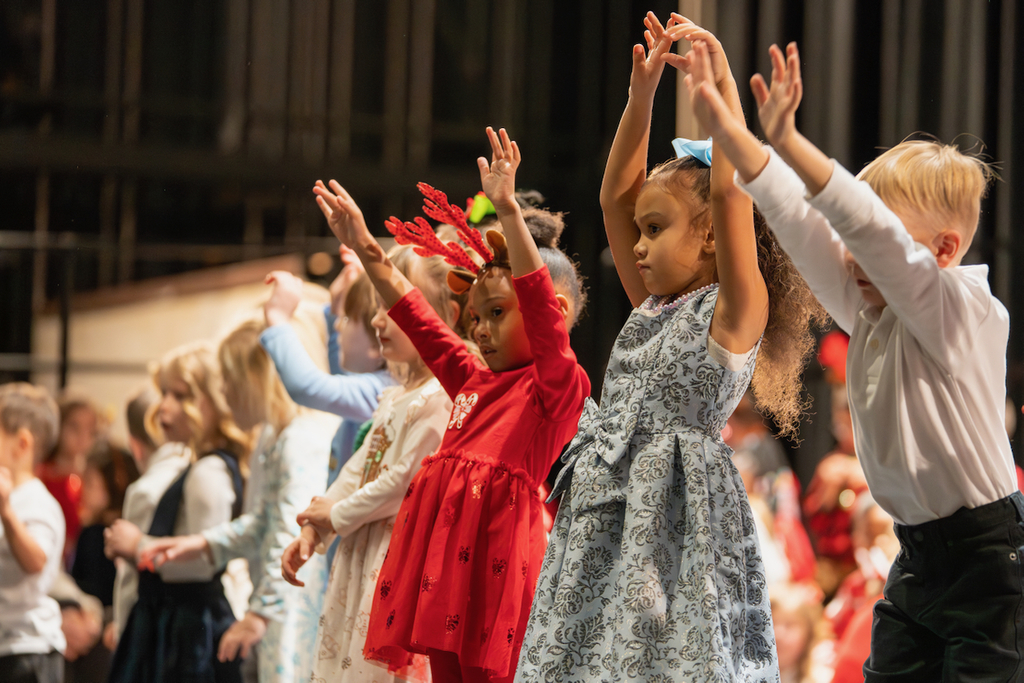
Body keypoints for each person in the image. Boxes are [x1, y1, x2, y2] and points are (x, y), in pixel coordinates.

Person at [691, 31, 1017, 681]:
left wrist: (792, 142)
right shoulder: (872, 310)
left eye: (870, 238)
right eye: (849, 240)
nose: (849, 251)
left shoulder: (962, 309)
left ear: (945, 250)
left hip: (989, 564)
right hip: (917, 557)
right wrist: (732, 125)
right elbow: (800, 219)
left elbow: (871, 231)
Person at [517, 14, 824, 682]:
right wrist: (641, 96)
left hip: (674, 526)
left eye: (656, 229)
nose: (639, 246)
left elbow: (730, 192)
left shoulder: (731, 311)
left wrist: (717, 100)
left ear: (712, 233)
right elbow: (612, 198)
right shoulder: (654, 305)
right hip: (607, 512)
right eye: (640, 234)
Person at [313, 126, 591, 682]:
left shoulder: (555, 388)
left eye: (497, 313)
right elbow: (418, 317)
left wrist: (508, 210)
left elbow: (537, 306)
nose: (481, 330)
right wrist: (365, 244)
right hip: (444, 568)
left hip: (498, 566)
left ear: (549, 311)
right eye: (477, 317)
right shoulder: (470, 379)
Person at [281, 244, 460, 683]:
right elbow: (361, 465)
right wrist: (316, 522)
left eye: (393, 306)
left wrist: (337, 514)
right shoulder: (393, 395)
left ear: (446, 315)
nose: (379, 320)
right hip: (364, 550)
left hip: (393, 555)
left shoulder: (440, 397)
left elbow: (407, 482)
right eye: (378, 308)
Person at [141, 308, 339, 683]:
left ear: (256, 380)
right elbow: (264, 520)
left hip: (292, 608)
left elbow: (288, 531)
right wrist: (203, 543)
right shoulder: (274, 436)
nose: (224, 392)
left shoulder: (299, 439)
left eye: (229, 380)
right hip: (279, 601)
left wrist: (261, 614)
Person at [106, 342, 250, 683]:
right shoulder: (197, 464)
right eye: (164, 393)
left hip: (188, 631)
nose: (164, 407)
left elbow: (203, 558)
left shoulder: (208, 473)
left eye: (181, 396)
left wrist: (139, 546)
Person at [107, 387, 192, 649]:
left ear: (135, 444)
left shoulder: (145, 490)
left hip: (161, 627)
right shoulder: (200, 467)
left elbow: (132, 581)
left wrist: (123, 633)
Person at [0, 382, 66, 683]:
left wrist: (7, 513)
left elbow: (35, 560)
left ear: (22, 444)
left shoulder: (35, 502)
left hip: (27, 650)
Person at [37, 391, 100, 568]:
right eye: (74, 427)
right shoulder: (40, 472)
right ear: (58, 426)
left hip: (78, 565)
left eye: (91, 430)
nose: (83, 437)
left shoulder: (93, 480)